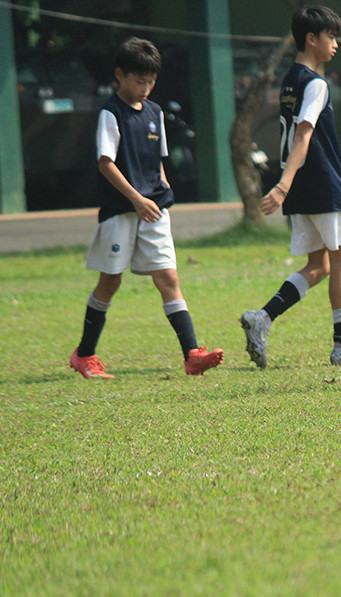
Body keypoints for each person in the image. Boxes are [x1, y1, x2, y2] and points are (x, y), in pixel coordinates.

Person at [69, 37, 223, 379]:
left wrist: (162, 188)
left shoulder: (155, 113)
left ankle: (192, 355)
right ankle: (84, 354)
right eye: (139, 81)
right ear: (120, 75)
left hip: (154, 209)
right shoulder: (111, 114)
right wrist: (136, 199)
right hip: (121, 211)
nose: (145, 88)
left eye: (151, 82)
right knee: (110, 282)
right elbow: (106, 163)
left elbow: (158, 160)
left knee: (168, 277)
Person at [240, 6, 341, 370]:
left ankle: (263, 317)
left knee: (318, 265)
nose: (335, 44)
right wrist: (282, 186)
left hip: (310, 184)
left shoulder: (290, 80)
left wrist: (340, 184)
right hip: (312, 183)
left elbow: (310, 142)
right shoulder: (317, 83)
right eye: (331, 37)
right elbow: (304, 134)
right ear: (311, 39)